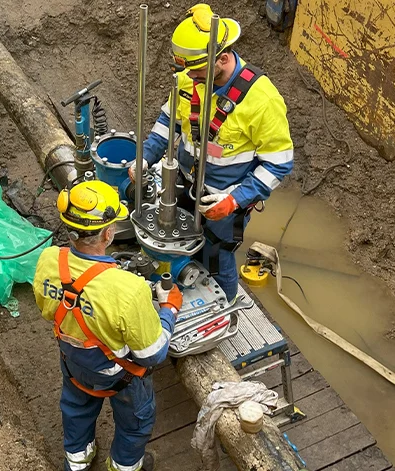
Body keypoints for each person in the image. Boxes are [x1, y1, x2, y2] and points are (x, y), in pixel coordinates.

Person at [131, 3, 294, 301]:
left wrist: (234, 200)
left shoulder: (262, 99)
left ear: (223, 58)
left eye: (197, 71)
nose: (189, 78)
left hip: (223, 197)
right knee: (176, 243)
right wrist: (147, 157)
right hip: (183, 181)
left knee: (217, 259)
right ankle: (179, 296)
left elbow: (278, 164)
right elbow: (170, 120)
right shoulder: (188, 77)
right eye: (186, 71)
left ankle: (223, 315)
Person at [33, 180, 183, 471]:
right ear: (109, 232)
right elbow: (152, 354)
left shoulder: (49, 260)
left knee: (76, 408)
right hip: (119, 376)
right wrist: (168, 309)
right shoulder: (128, 290)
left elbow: (45, 309)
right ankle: (124, 466)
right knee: (135, 424)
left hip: (74, 363)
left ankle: (77, 461)